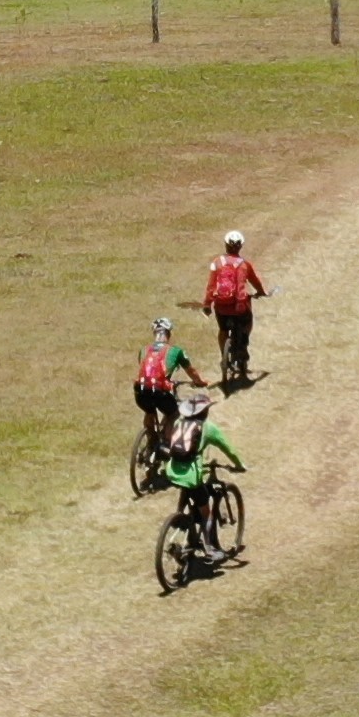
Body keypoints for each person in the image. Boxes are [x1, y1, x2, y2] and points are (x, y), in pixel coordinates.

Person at [163, 392, 244, 561]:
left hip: (172, 470)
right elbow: (228, 449)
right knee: (206, 512)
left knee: (188, 492)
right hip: (192, 475)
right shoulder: (207, 428)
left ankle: (181, 519)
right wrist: (239, 465)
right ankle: (209, 548)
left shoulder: (179, 422)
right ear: (204, 412)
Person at [201, 229, 268, 384]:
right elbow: (255, 281)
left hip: (221, 306)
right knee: (247, 321)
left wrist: (207, 304)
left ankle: (223, 357)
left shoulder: (216, 263)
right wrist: (261, 292)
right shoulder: (244, 265)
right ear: (240, 247)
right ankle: (243, 342)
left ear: (226, 245)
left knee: (223, 329)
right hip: (239, 307)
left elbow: (211, 286)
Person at [135, 315, 209, 456]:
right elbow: (191, 371)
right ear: (168, 333)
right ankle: (165, 444)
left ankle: (151, 438)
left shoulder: (144, 350)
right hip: (159, 390)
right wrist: (199, 382)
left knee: (149, 411)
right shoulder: (176, 351)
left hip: (140, 390)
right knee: (173, 413)